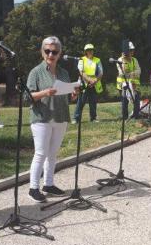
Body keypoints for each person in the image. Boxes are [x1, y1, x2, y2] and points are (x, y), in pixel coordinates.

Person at [26, 36, 74, 202]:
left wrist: (74, 93)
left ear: (59, 53)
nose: (50, 54)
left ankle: (48, 184)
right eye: (47, 51)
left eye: (54, 51)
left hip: (60, 116)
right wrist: (45, 92)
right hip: (42, 117)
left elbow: (68, 94)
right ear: (42, 51)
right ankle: (33, 188)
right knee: (40, 153)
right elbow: (28, 96)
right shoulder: (35, 72)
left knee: (52, 154)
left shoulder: (64, 73)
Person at [73, 43, 103, 123]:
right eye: (88, 50)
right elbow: (81, 71)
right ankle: (76, 118)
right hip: (84, 83)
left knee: (93, 102)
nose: (90, 51)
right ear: (85, 51)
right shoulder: (81, 59)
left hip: (94, 83)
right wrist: (89, 80)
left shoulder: (97, 60)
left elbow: (101, 72)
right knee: (81, 102)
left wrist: (95, 81)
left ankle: (93, 118)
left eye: (91, 50)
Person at [116, 41, 141, 119]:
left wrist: (131, 73)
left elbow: (139, 71)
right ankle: (124, 117)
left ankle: (136, 116)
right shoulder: (120, 60)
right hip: (123, 84)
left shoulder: (134, 60)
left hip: (134, 84)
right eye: (130, 50)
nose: (131, 52)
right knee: (124, 101)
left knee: (136, 100)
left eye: (132, 50)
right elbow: (122, 72)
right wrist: (123, 60)